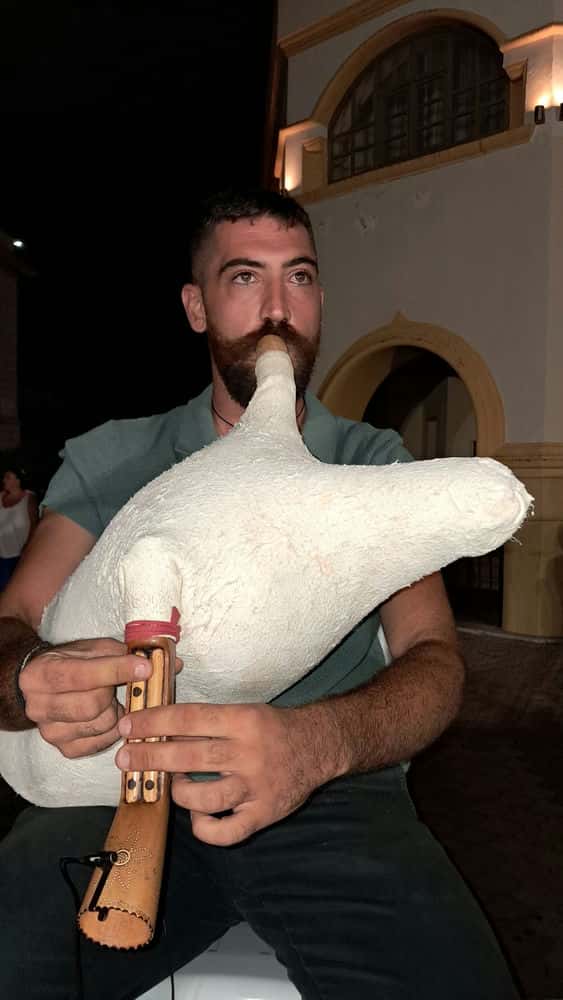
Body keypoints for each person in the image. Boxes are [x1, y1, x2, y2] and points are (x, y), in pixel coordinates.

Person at [0, 189, 520, 999]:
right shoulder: (117, 455)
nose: (278, 308)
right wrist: (30, 676)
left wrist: (319, 744)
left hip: (330, 797)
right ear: (196, 306)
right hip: (110, 790)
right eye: (244, 277)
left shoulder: (370, 461)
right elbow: (14, 617)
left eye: (299, 277)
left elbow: (433, 656)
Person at [0, 462, 38, 590]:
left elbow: (35, 524)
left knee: (20, 588)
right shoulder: (0, 497)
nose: (4, 480)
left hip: (21, 555)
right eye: (4, 477)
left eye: (8, 477)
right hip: (2, 555)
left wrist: (29, 546)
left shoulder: (29, 498)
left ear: (18, 480)